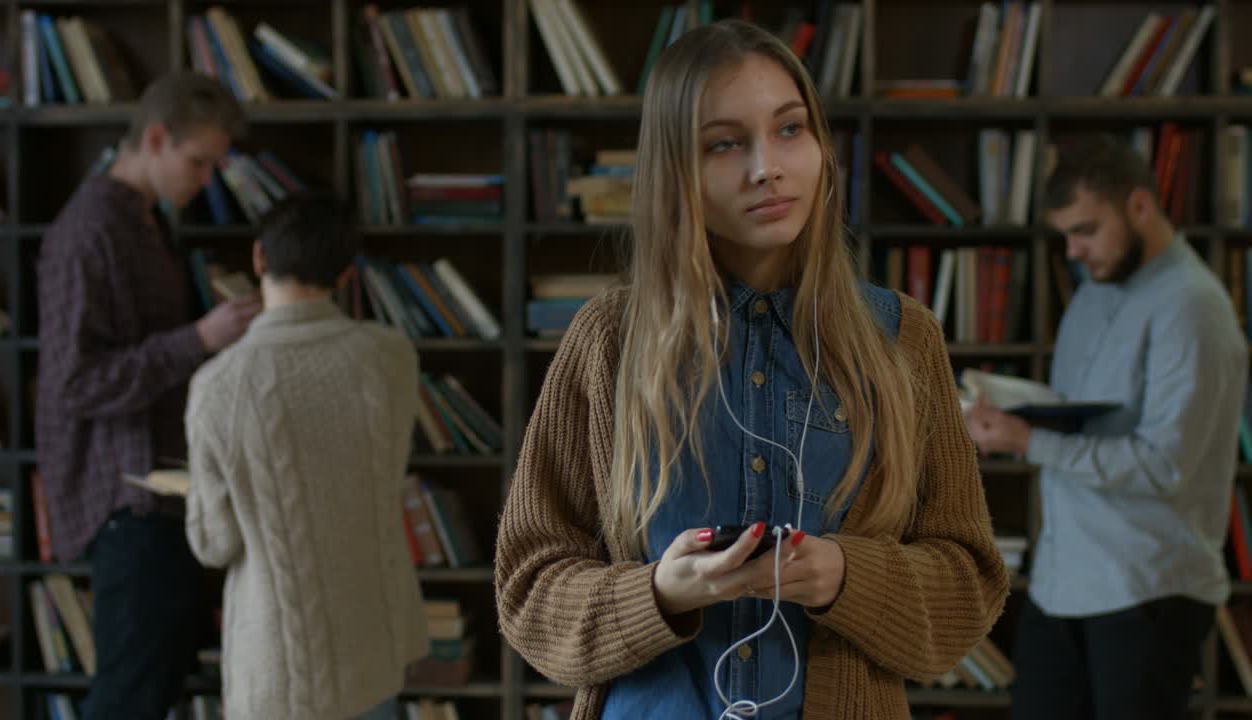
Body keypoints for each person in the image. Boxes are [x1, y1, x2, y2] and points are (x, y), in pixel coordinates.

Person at [494, 19, 1008, 720]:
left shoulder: (902, 339)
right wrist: (659, 594)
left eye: (791, 129)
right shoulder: (609, 341)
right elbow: (527, 591)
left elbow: (970, 586)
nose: (767, 166)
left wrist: (844, 576)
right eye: (725, 144)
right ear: (678, 169)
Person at [965, 134, 1248, 720]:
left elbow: (1164, 465)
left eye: (1087, 230)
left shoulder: (1192, 307)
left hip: (1148, 587)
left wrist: (1026, 440)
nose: (1073, 250)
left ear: (1140, 206)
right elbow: (1082, 413)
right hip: (1066, 578)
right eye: (1066, 233)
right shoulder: (1093, 294)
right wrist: (1016, 411)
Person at [35, 72, 258, 719]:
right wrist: (198, 338)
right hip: (126, 502)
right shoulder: (89, 231)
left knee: (149, 695)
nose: (207, 180)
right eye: (198, 162)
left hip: (160, 499)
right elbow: (74, 381)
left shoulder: (144, 225)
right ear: (155, 138)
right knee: (128, 703)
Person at [184, 194, 428, 720]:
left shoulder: (218, 385)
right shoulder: (391, 358)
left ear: (258, 259)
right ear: (345, 275)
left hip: (280, 668)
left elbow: (213, 542)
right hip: (373, 647)